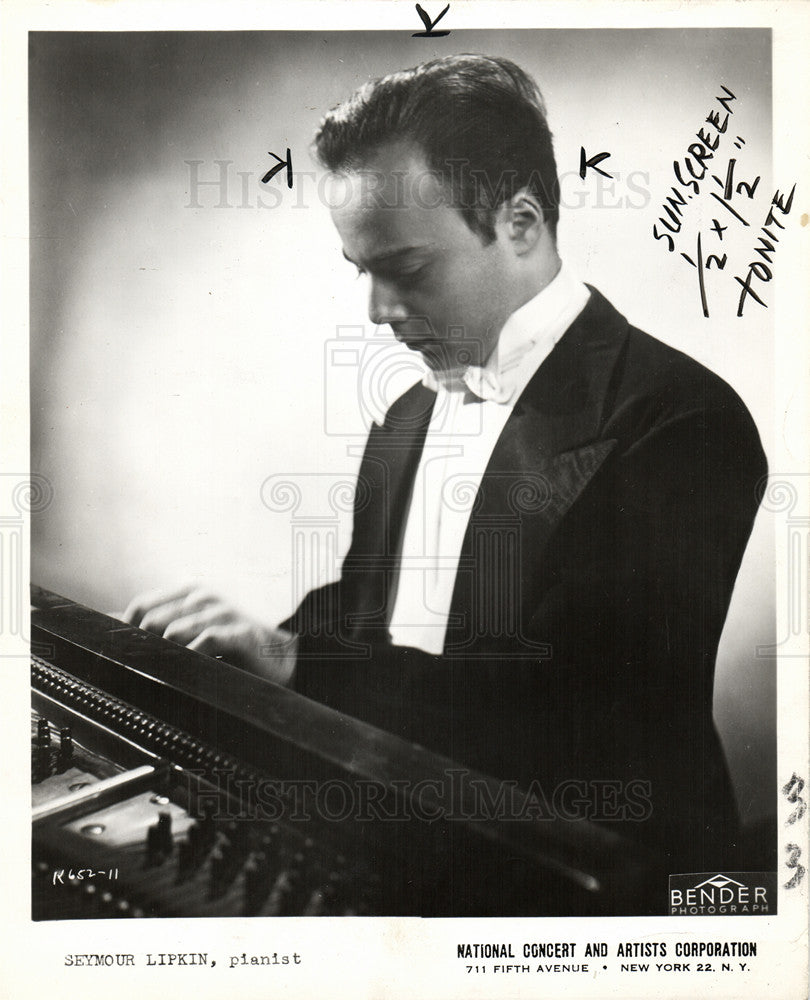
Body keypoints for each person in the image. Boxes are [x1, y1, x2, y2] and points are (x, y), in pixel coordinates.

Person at [124, 54, 767, 874]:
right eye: (364, 273)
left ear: (522, 223)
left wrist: (294, 664)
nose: (379, 312)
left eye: (407, 270)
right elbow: (369, 611)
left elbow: (579, 711)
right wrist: (236, 651)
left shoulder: (683, 417)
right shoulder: (408, 416)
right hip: (410, 840)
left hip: (596, 877)